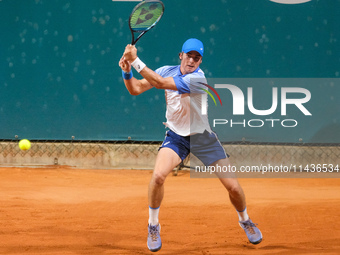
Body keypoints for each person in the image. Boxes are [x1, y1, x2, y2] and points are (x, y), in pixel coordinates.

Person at [119, 38, 262, 252]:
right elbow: (136, 89)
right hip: (177, 136)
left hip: (203, 137)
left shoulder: (197, 78)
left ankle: (245, 220)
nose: (192, 61)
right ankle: (153, 224)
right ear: (181, 55)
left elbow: (159, 83)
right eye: (189, 56)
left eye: (197, 58)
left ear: (200, 61)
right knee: (158, 177)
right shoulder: (166, 70)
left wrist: (136, 60)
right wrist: (128, 71)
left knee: (233, 187)